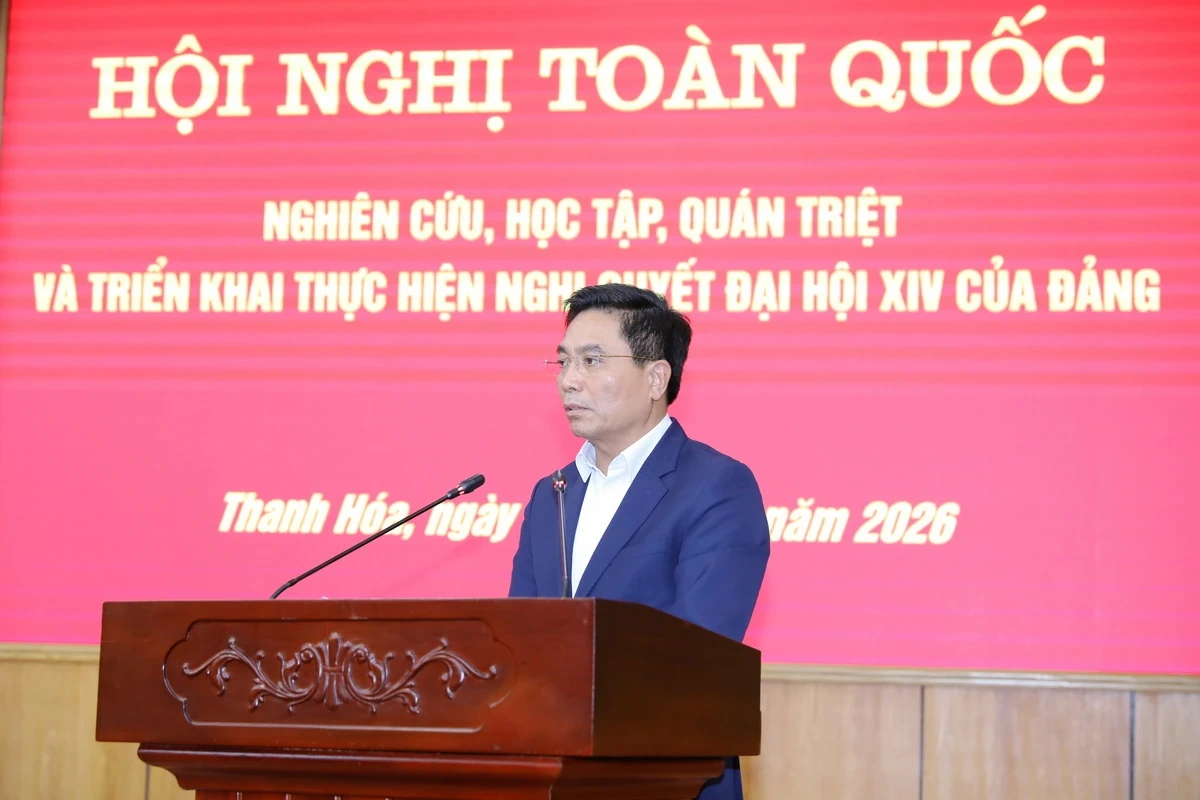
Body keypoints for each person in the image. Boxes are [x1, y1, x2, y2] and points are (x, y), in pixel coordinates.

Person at [508, 283, 770, 800]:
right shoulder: (551, 493)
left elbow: (698, 653)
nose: (568, 380)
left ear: (656, 378)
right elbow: (519, 639)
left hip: (668, 777)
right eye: (563, 362)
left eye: (592, 360)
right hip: (553, 775)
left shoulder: (716, 486)